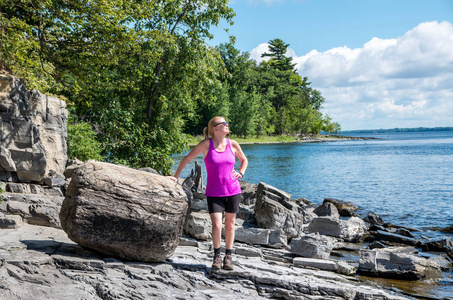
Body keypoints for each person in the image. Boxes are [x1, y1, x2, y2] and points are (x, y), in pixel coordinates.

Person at [170, 116, 248, 271]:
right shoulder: (206, 145)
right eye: (224, 123)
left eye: (227, 122)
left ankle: (228, 256)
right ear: (215, 128)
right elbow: (186, 159)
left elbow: (244, 160)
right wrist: (175, 177)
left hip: (233, 190)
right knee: (217, 225)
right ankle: (217, 256)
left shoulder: (232, 144)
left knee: (230, 225)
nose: (227, 125)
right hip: (214, 192)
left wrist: (241, 173)